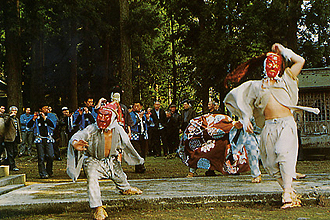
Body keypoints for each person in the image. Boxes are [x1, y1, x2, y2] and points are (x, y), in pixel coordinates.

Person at [224, 43, 319, 209]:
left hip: (286, 125)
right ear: (264, 66)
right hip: (268, 127)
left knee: (283, 153)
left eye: (276, 62)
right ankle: (289, 191)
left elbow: (300, 61)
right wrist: (245, 119)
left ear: (280, 65)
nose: (272, 66)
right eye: (269, 63)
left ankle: (287, 194)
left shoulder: (287, 79)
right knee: (270, 164)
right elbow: (241, 100)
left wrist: (283, 50)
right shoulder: (256, 86)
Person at [67, 101, 144, 220]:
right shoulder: (92, 128)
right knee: (92, 178)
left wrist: (136, 158)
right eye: (100, 115)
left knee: (120, 176)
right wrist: (75, 142)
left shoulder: (118, 129)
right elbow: (80, 134)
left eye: (105, 115)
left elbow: (127, 144)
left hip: (111, 160)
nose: (102, 118)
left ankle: (125, 188)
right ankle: (97, 207)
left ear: (113, 117)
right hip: (93, 161)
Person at [27, 104, 56, 179]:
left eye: (47, 108)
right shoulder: (36, 117)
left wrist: (45, 118)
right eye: (44, 108)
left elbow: (53, 125)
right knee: (41, 157)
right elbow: (28, 126)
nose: (46, 109)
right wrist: (33, 119)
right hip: (39, 138)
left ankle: (49, 170)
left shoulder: (51, 116)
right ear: (40, 109)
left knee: (50, 155)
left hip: (48, 138)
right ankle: (42, 173)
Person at [130, 101, 152, 173]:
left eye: (138, 106)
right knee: (137, 151)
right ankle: (139, 167)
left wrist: (148, 118)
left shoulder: (144, 114)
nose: (136, 107)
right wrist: (139, 118)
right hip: (135, 135)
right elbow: (132, 123)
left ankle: (141, 165)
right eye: (135, 106)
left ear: (141, 106)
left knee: (143, 151)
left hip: (143, 135)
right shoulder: (131, 114)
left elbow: (150, 123)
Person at [3, 106, 21, 171]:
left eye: (15, 111)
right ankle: (12, 166)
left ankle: (6, 162)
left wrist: (20, 137)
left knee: (15, 151)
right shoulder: (7, 117)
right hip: (9, 138)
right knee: (10, 152)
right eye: (13, 110)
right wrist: (10, 117)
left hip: (15, 138)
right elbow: (6, 123)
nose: (14, 112)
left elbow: (18, 129)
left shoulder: (17, 119)